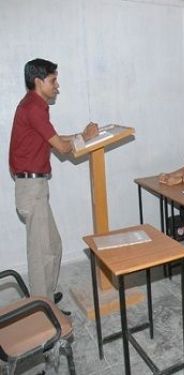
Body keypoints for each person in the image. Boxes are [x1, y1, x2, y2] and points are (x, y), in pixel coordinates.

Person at [9, 58, 98, 307]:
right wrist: (85, 137)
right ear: (38, 81)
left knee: (53, 245)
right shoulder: (34, 107)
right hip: (31, 189)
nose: (57, 86)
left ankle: (45, 296)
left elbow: (55, 139)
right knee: (40, 254)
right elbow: (62, 147)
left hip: (34, 188)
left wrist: (83, 135)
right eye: (53, 80)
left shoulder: (33, 106)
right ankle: (41, 310)